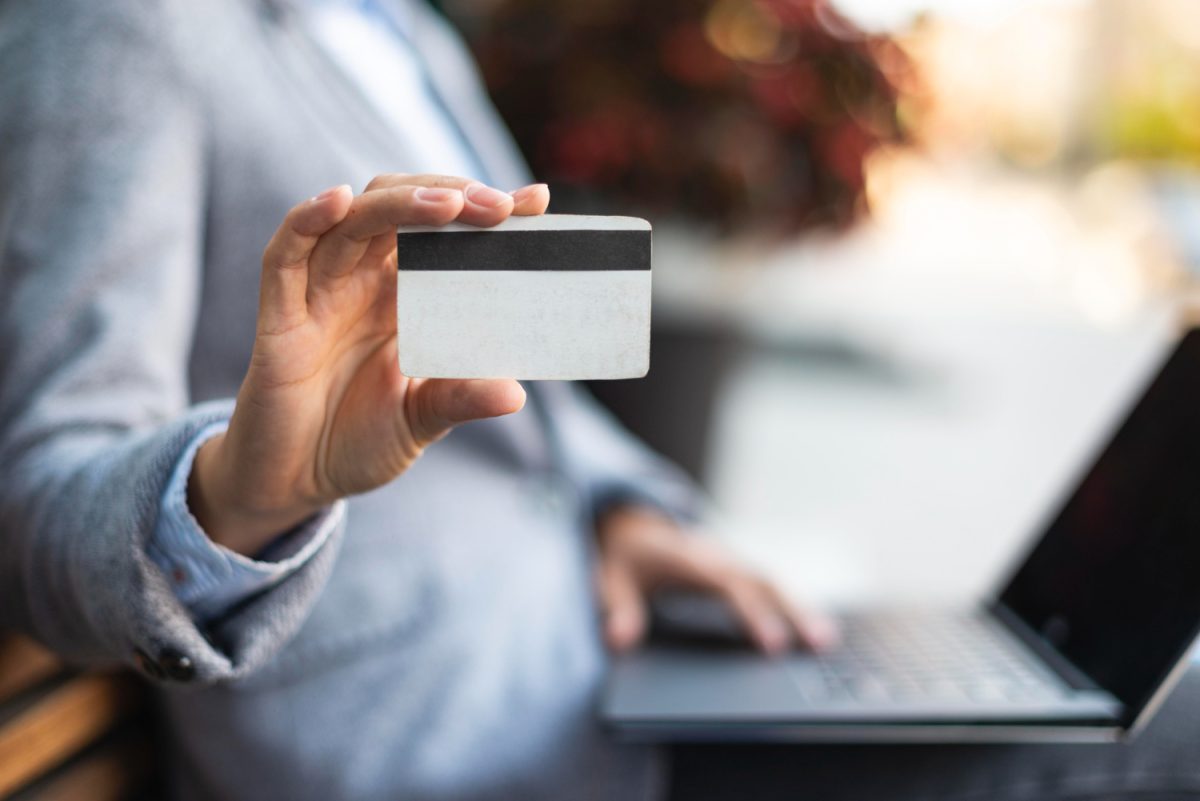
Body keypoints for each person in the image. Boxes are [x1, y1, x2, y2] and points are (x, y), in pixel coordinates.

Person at [0, 1, 1196, 800]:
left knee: (1118, 720)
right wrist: (241, 493)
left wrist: (628, 509)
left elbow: (523, 376)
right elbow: (43, 490)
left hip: (605, 657)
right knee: (1139, 751)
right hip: (453, 742)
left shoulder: (390, 21)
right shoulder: (114, 29)